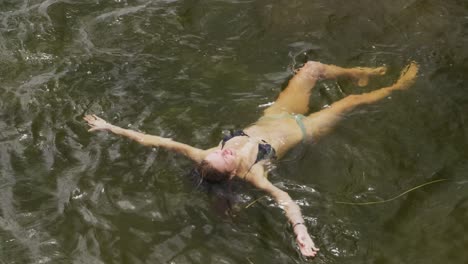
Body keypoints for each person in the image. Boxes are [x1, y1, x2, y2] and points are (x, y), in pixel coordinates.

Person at [84, 61, 419, 258]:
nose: (224, 149)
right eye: (225, 157)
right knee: (352, 102)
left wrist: (109, 127)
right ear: (232, 176)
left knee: (312, 68)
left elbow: (156, 140)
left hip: (280, 113)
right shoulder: (255, 174)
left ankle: (357, 71)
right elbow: (285, 200)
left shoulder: (205, 156)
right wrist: (301, 231)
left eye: (220, 149)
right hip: (304, 128)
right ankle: (400, 86)